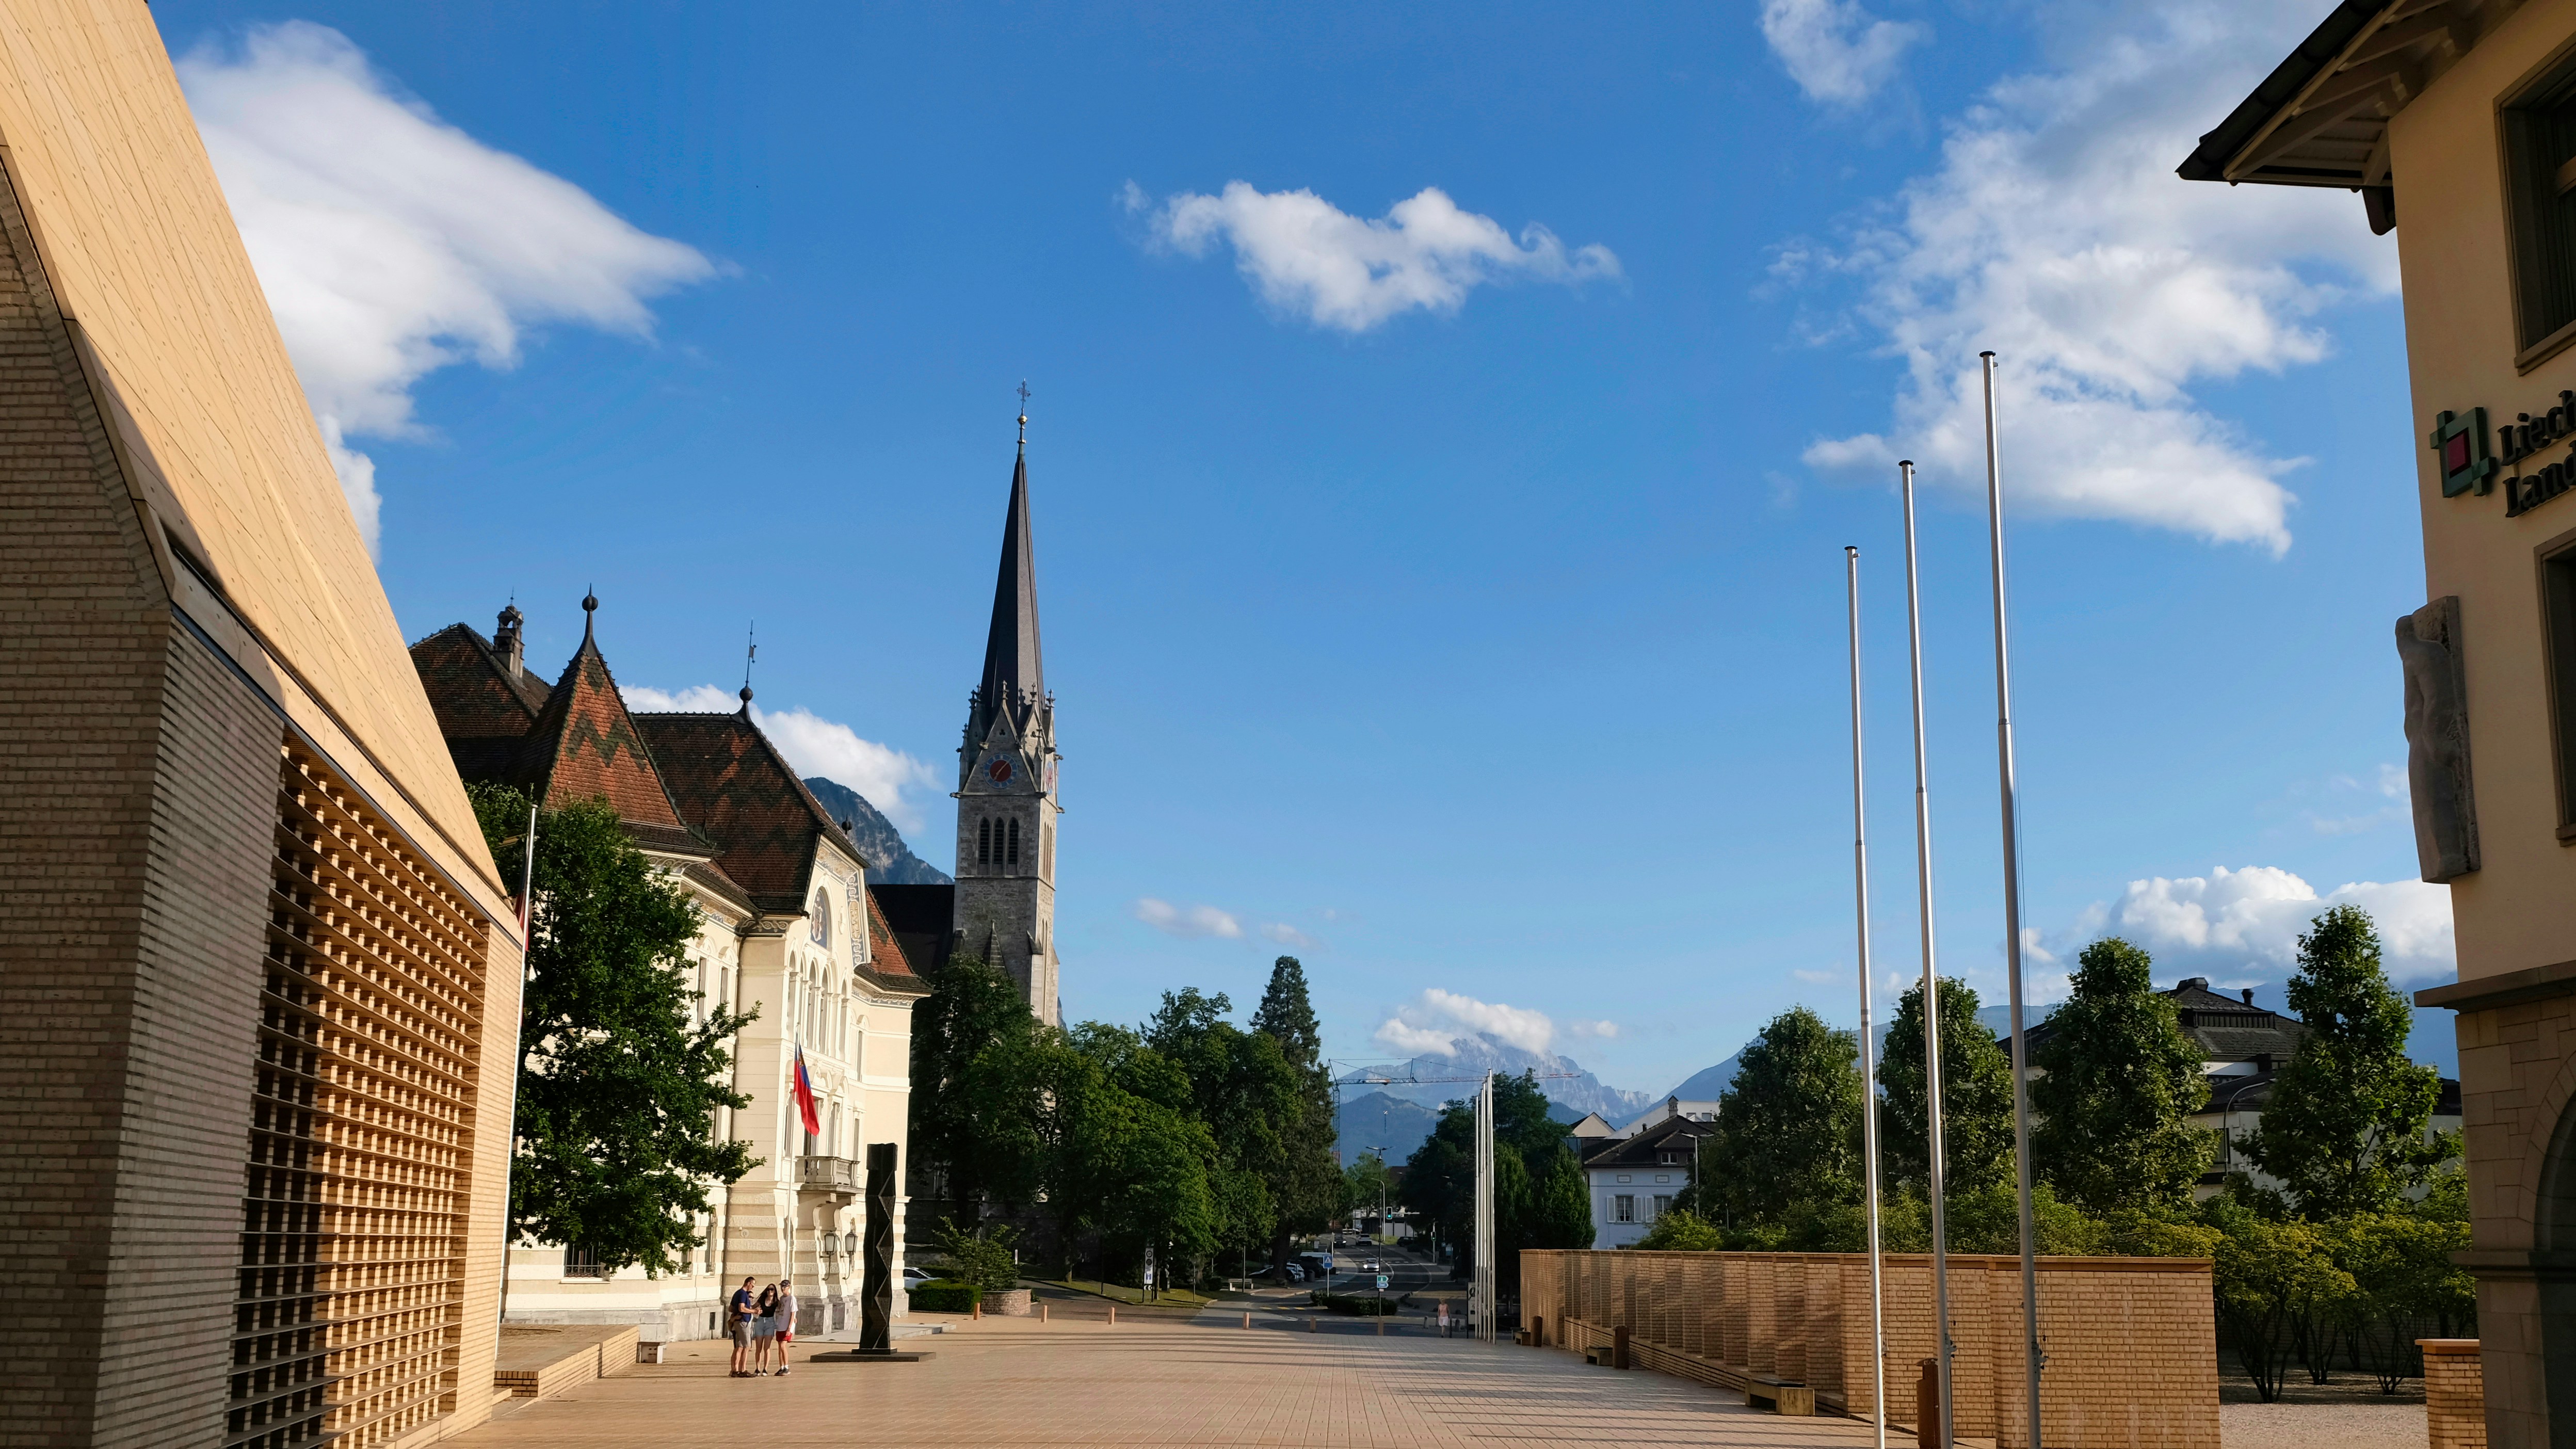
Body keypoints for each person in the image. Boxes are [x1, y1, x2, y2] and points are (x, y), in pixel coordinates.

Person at [727, 1276, 758, 1377]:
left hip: (739, 1321)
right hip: (743, 1322)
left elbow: (731, 1308)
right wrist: (753, 1311)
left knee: (739, 1347)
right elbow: (742, 1308)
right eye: (752, 1285)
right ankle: (743, 1370)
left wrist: (735, 1316)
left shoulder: (737, 1293)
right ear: (748, 1283)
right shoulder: (743, 1294)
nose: (752, 1287)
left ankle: (735, 1370)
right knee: (747, 1346)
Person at [752, 1281, 781, 1375]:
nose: (770, 1291)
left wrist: (793, 1317)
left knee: (767, 1348)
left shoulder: (777, 1302)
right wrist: (755, 1311)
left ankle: (765, 1369)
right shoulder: (762, 1299)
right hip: (760, 1322)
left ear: (775, 1291)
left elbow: (785, 1309)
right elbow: (752, 1307)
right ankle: (757, 1368)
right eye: (768, 1290)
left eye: (772, 1289)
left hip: (770, 1323)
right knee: (758, 1348)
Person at [772, 1279, 798, 1377]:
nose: (783, 1289)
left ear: (789, 1287)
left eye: (785, 1287)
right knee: (780, 1347)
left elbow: (793, 1313)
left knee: (783, 1345)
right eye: (782, 1287)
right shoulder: (782, 1299)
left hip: (787, 1326)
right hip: (780, 1325)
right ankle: (781, 1367)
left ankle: (787, 1367)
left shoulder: (792, 1299)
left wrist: (789, 1328)